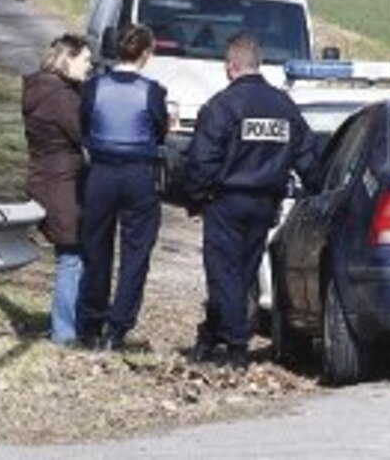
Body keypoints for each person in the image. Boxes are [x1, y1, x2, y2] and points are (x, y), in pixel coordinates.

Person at [183, 33, 321, 370]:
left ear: (231, 67)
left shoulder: (221, 106)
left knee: (223, 274)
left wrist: (196, 197)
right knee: (242, 274)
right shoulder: (284, 106)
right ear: (256, 64)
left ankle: (235, 345)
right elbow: (308, 157)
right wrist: (319, 190)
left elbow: (202, 160)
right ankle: (209, 336)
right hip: (265, 203)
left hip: (226, 201)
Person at [76, 25, 170, 350]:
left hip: (100, 173)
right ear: (145, 54)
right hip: (138, 174)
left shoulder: (94, 87)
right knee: (135, 253)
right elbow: (160, 131)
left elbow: (84, 126)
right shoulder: (153, 91)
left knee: (96, 249)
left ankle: (90, 322)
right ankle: (118, 327)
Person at [22, 34, 93, 346]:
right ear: (68, 58)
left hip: (48, 179)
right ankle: (64, 331)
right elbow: (84, 133)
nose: (89, 69)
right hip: (60, 183)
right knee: (71, 256)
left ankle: (70, 324)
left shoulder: (42, 88)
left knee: (72, 255)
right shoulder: (60, 98)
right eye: (86, 62)